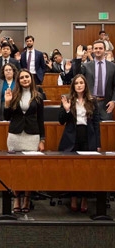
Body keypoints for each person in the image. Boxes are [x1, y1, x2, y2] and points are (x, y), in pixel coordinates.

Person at [3, 69, 45, 213]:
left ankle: (27, 198)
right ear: (18, 81)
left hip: (32, 135)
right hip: (15, 135)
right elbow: (7, 117)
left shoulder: (38, 96)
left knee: (29, 168)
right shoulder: (13, 95)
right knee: (15, 168)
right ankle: (17, 198)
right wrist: (7, 103)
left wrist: (42, 140)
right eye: (22, 78)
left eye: (27, 77)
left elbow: (41, 119)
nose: (25, 79)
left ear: (31, 79)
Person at [58, 74, 100, 213]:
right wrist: (67, 109)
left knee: (86, 170)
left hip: (88, 137)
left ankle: (84, 198)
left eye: (81, 83)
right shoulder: (67, 99)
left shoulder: (92, 101)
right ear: (73, 86)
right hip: (71, 137)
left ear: (85, 85)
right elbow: (61, 121)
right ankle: (74, 197)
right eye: (76, 83)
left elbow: (96, 124)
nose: (79, 85)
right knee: (73, 169)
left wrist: (97, 143)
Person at [74, 41, 115, 120]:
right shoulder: (86, 66)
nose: (98, 50)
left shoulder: (112, 66)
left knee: (105, 130)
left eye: (100, 48)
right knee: (90, 130)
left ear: (105, 50)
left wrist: (114, 101)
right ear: (92, 50)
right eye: (96, 48)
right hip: (90, 103)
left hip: (106, 104)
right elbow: (76, 76)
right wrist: (78, 58)